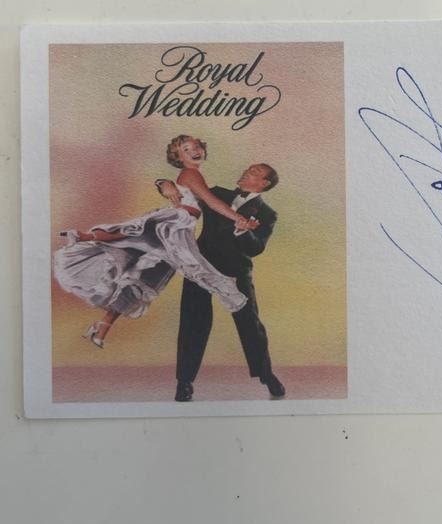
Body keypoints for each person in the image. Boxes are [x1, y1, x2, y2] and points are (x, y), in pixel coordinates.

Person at [54, 135, 254, 348]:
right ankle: (84, 236)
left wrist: (164, 183)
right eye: (187, 149)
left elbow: (208, 199)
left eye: (196, 146)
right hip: (176, 225)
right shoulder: (191, 173)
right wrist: (239, 219)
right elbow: (211, 202)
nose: (194, 151)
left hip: (179, 229)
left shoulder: (194, 174)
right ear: (178, 158)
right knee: (141, 239)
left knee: (138, 278)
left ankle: (102, 327)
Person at [158, 161, 286, 402]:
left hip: (236, 270)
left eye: (254, 172)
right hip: (200, 266)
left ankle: (267, 376)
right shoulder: (216, 193)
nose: (246, 171)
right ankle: (184, 383)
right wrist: (162, 183)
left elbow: (256, 249)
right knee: (192, 321)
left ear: (264, 183)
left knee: (250, 324)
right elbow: (184, 193)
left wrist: (243, 231)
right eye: (248, 168)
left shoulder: (268, 214)